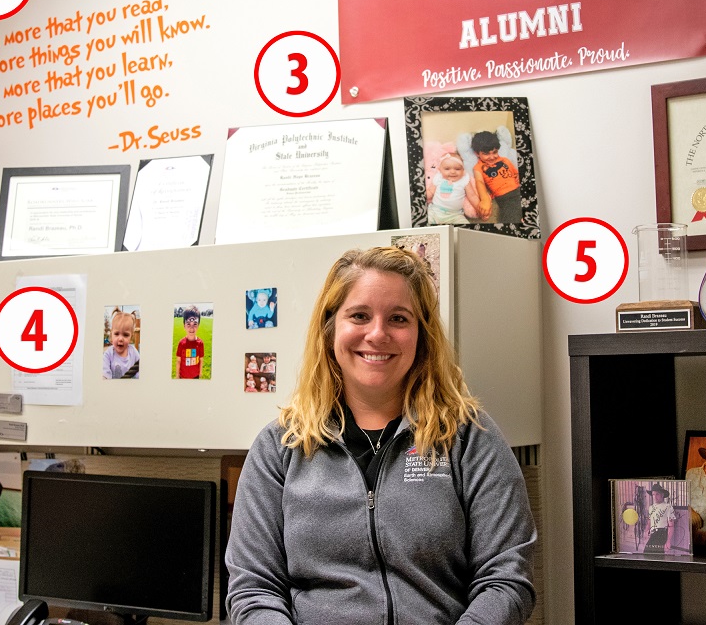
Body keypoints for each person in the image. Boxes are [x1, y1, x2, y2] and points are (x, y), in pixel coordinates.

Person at [226, 247, 536, 625]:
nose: (377, 334)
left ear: (421, 334)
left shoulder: (470, 439)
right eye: (359, 315)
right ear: (330, 330)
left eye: (398, 318)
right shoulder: (279, 448)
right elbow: (254, 589)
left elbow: (505, 580)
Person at [469, 131, 522, 224]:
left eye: (495, 152)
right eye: (486, 154)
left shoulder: (505, 160)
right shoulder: (478, 167)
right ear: (477, 153)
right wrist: (485, 200)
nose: (492, 157)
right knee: (509, 220)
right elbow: (479, 182)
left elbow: (516, 173)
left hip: (518, 189)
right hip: (506, 197)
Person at [425, 151, 478, 225]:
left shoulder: (464, 179)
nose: (453, 172)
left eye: (457, 169)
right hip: (435, 211)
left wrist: (479, 209)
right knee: (425, 222)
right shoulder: (438, 177)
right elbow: (430, 191)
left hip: (455, 215)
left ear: (463, 170)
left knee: (465, 226)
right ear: (440, 169)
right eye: (447, 169)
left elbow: (472, 195)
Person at [102, 310, 140, 379]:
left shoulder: (133, 352)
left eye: (125, 335)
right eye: (116, 334)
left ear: (131, 337)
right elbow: (105, 374)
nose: (120, 339)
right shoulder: (108, 354)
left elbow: (139, 371)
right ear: (111, 335)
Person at [643, 483, 678, 554]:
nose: (655, 497)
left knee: (656, 556)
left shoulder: (668, 507)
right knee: (646, 554)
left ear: (662, 495)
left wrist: (668, 541)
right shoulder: (651, 507)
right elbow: (649, 521)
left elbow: (671, 526)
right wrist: (646, 531)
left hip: (662, 534)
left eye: (657, 494)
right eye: (653, 494)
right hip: (653, 534)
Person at [176, 306, 204, 379]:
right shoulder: (181, 343)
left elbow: (201, 360)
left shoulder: (200, 343)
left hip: (195, 376)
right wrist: (177, 375)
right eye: (188, 324)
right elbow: (178, 361)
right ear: (184, 325)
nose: (191, 328)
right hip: (183, 377)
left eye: (195, 324)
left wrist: (200, 373)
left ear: (198, 325)